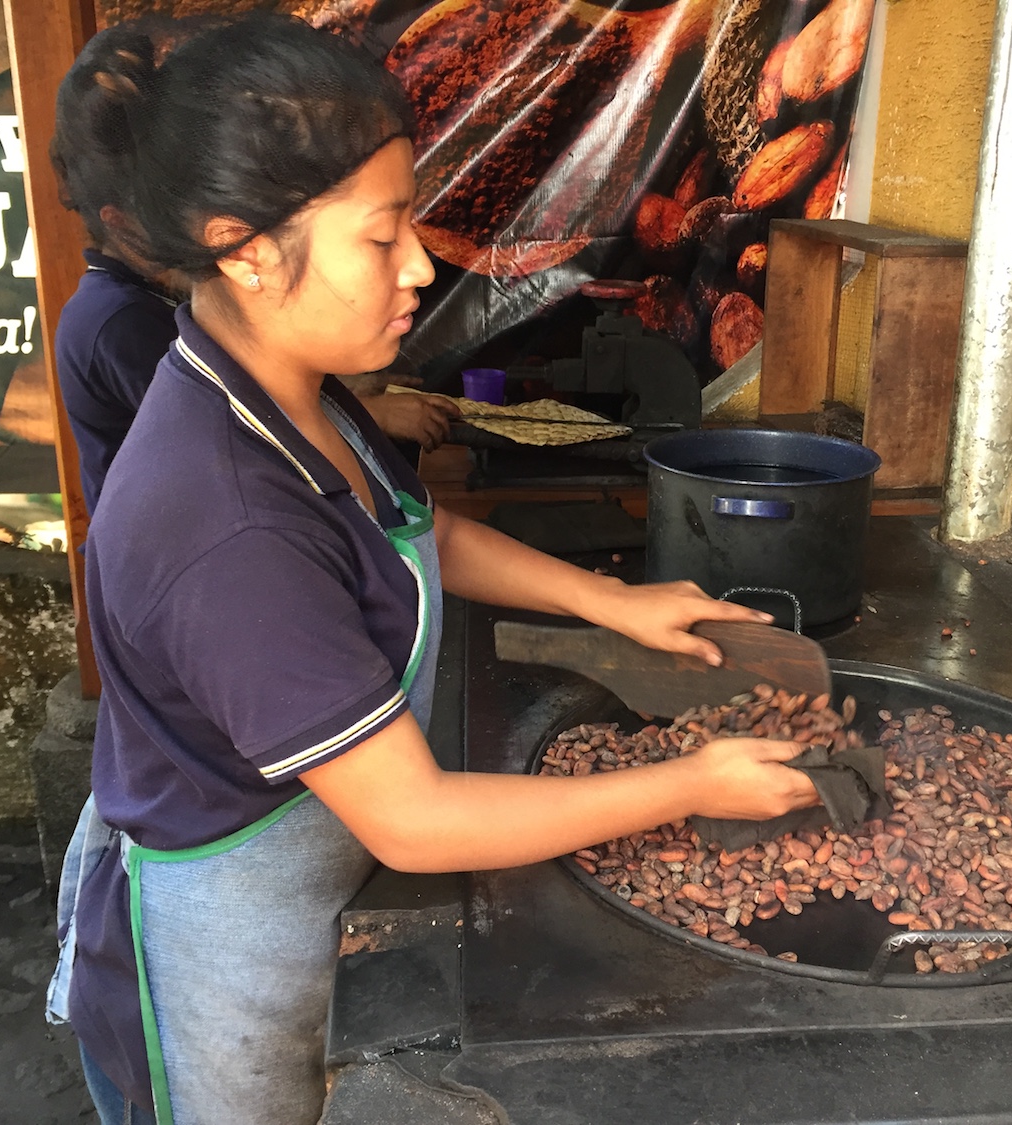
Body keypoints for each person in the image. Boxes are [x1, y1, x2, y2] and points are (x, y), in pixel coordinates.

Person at [47, 15, 820, 1125]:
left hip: (322, 874)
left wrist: (610, 600)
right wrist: (693, 786)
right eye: (382, 235)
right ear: (249, 248)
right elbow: (410, 819)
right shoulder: (227, 526)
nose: (419, 265)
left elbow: (417, 531)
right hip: (227, 949)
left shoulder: (294, 390)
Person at [49, 22, 456, 513]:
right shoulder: (117, 324)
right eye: (383, 237)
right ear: (239, 248)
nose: (422, 268)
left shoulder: (167, 307)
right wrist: (379, 410)